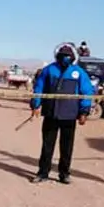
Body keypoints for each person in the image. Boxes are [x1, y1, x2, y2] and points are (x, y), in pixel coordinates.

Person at [29, 43, 94, 184]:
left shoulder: (78, 73)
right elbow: (39, 88)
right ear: (58, 56)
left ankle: (64, 174)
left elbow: (87, 92)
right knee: (47, 146)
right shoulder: (49, 70)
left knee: (66, 147)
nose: (65, 58)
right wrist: (35, 104)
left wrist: (84, 111)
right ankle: (43, 173)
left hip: (69, 115)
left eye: (68, 56)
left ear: (72, 57)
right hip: (51, 114)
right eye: (63, 56)